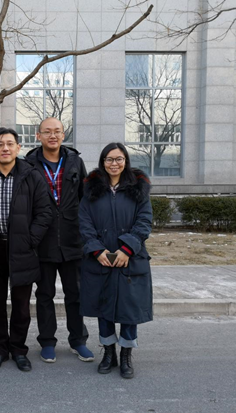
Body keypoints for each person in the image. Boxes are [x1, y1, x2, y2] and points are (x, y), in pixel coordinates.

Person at [0, 127, 52, 372]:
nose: (5, 148)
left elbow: (45, 212)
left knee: (21, 305)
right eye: (0, 144)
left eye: (10, 144)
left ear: (18, 148)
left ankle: (19, 350)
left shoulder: (32, 176)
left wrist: (30, 240)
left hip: (22, 249)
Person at [78, 142, 153, 379]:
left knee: (129, 309)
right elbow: (84, 223)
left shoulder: (137, 188)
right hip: (101, 259)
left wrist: (127, 249)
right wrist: (96, 250)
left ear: (125, 161)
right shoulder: (92, 190)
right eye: (109, 159)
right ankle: (108, 352)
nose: (114, 164)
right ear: (103, 162)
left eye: (119, 159)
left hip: (130, 259)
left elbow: (144, 221)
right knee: (104, 308)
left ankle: (126, 354)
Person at [25, 117, 94, 363]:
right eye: (47, 132)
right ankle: (47, 341)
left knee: (75, 294)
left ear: (63, 135)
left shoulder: (75, 161)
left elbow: (86, 200)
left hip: (72, 240)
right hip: (42, 241)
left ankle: (78, 340)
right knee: (44, 294)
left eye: (57, 131)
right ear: (38, 136)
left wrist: (87, 235)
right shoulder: (29, 164)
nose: (52, 135)